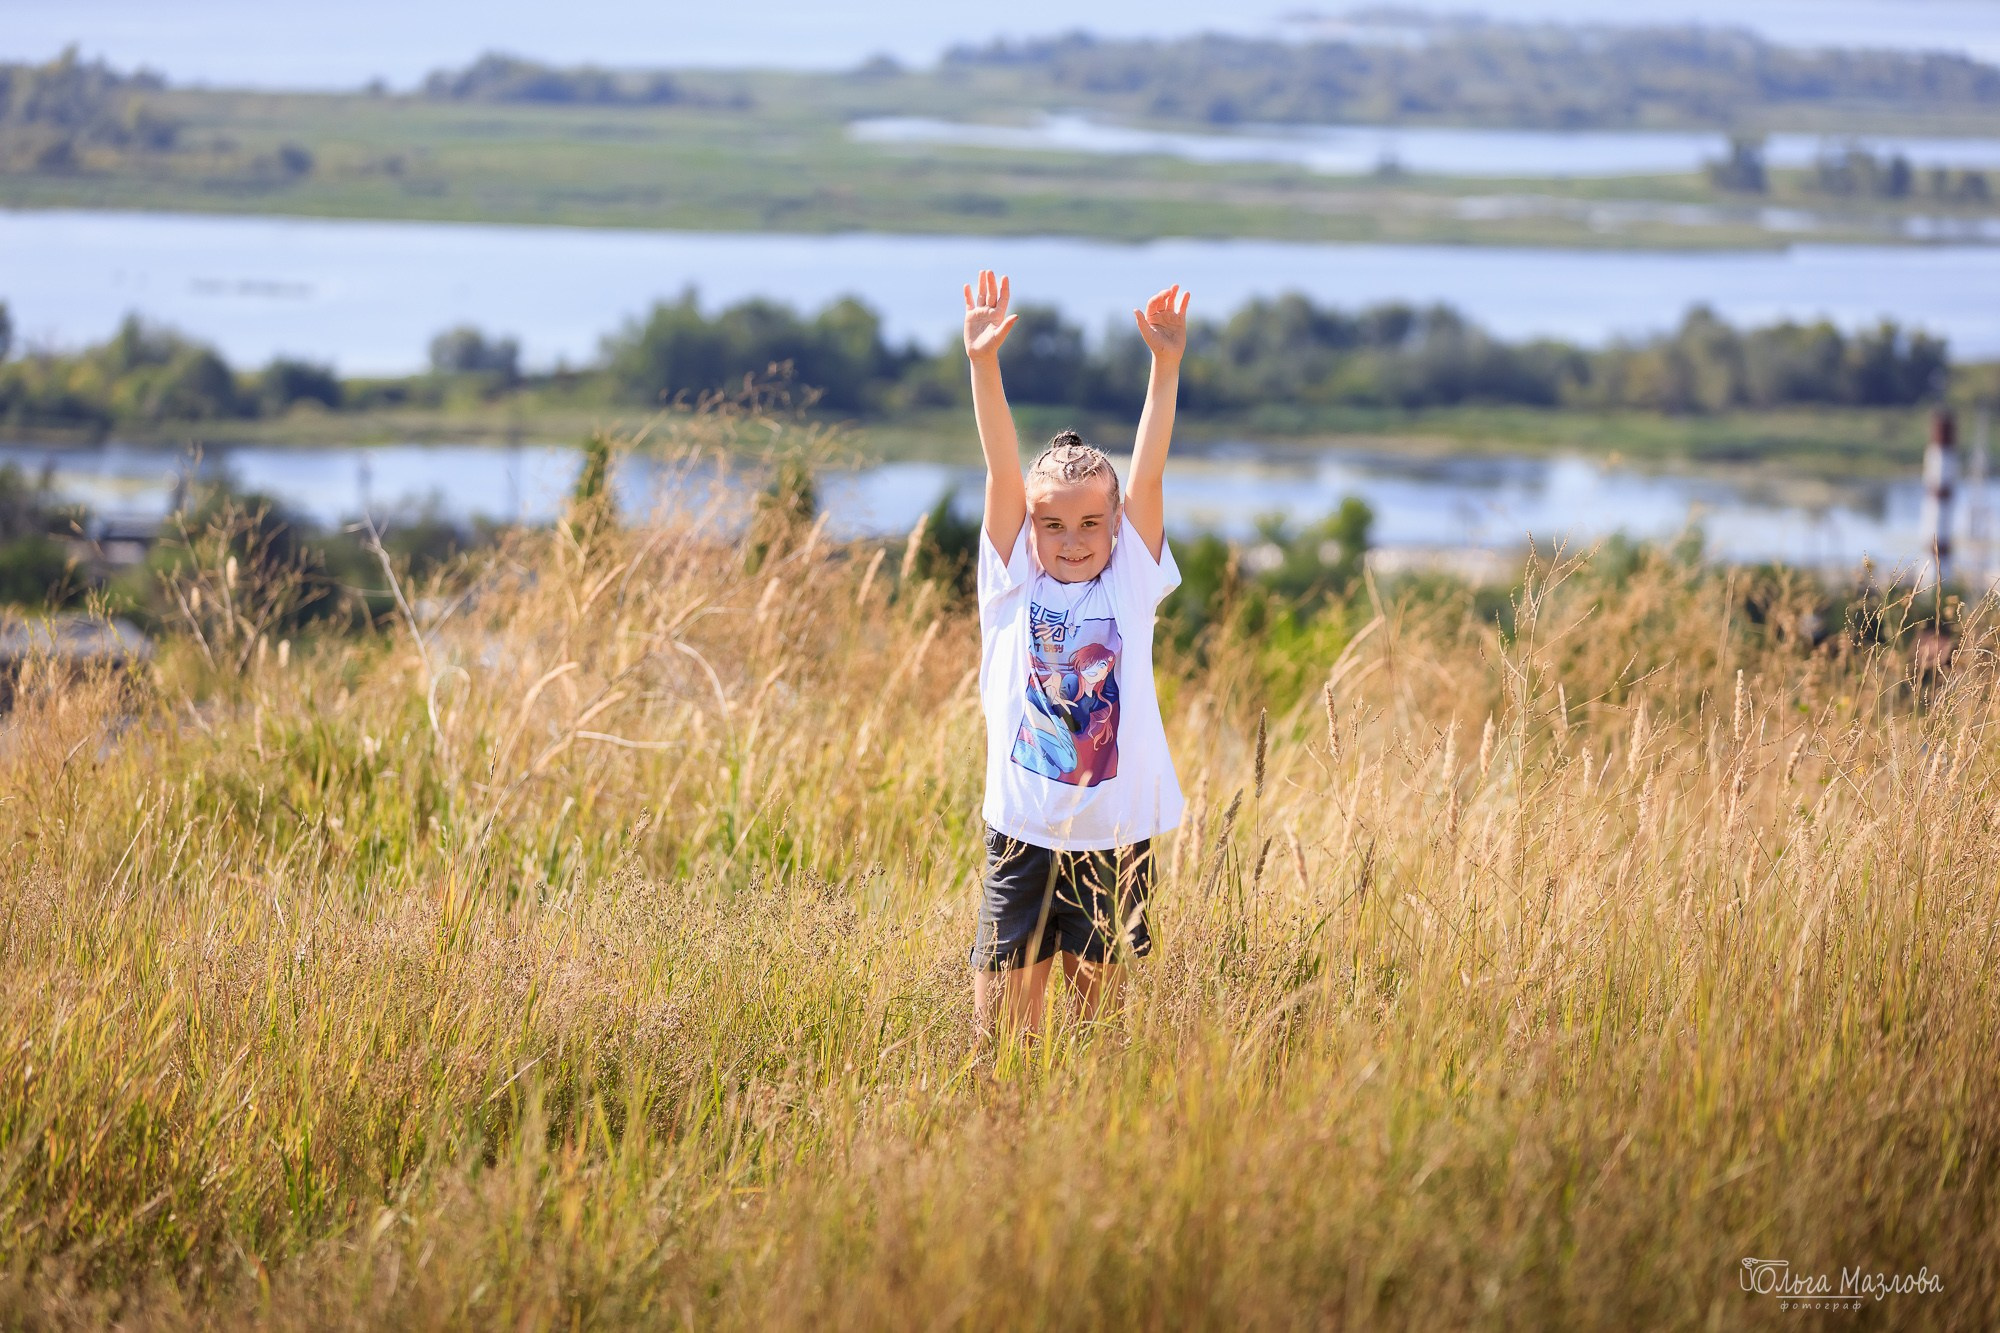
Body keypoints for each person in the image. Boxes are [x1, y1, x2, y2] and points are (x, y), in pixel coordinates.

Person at [963, 268, 1190, 1035]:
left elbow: (1149, 470)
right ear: (1029, 528)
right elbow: (1001, 468)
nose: (1071, 539)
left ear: (1116, 525)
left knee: (1102, 1034)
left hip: (1115, 836)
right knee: (1005, 1033)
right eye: (1052, 524)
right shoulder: (1009, 588)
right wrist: (982, 363)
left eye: (1090, 523)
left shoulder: (1130, 584)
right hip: (1022, 832)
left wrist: (1165, 365)